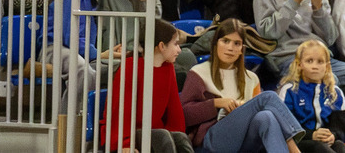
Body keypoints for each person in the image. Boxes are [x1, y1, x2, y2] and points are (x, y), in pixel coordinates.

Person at [180, 17, 305, 152]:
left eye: (236, 43)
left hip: (242, 141)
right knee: (268, 97)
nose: (230, 48)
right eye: (225, 41)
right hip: (212, 141)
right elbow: (185, 114)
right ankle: (294, 148)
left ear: (242, 49)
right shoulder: (198, 72)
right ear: (215, 44)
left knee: (266, 116)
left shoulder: (251, 78)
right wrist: (216, 103)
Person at [101, 19, 193, 153]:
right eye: (175, 44)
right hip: (129, 133)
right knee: (162, 137)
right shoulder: (131, 67)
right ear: (162, 46)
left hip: (154, 131)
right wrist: (125, 142)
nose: (179, 50)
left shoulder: (168, 68)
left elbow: (174, 109)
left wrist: (177, 135)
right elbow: (121, 108)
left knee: (180, 138)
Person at [277, 40, 345, 153]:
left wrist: (332, 135)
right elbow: (285, 127)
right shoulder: (289, 91)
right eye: (309, 61)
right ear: (299, 64)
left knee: (339, 145)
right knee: (318, 147)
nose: (315, 66)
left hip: (324, 142)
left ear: (327, 66)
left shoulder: (335, 92)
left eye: (320, 62)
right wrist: (311, 135)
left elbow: (340, 128)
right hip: (299, 142)